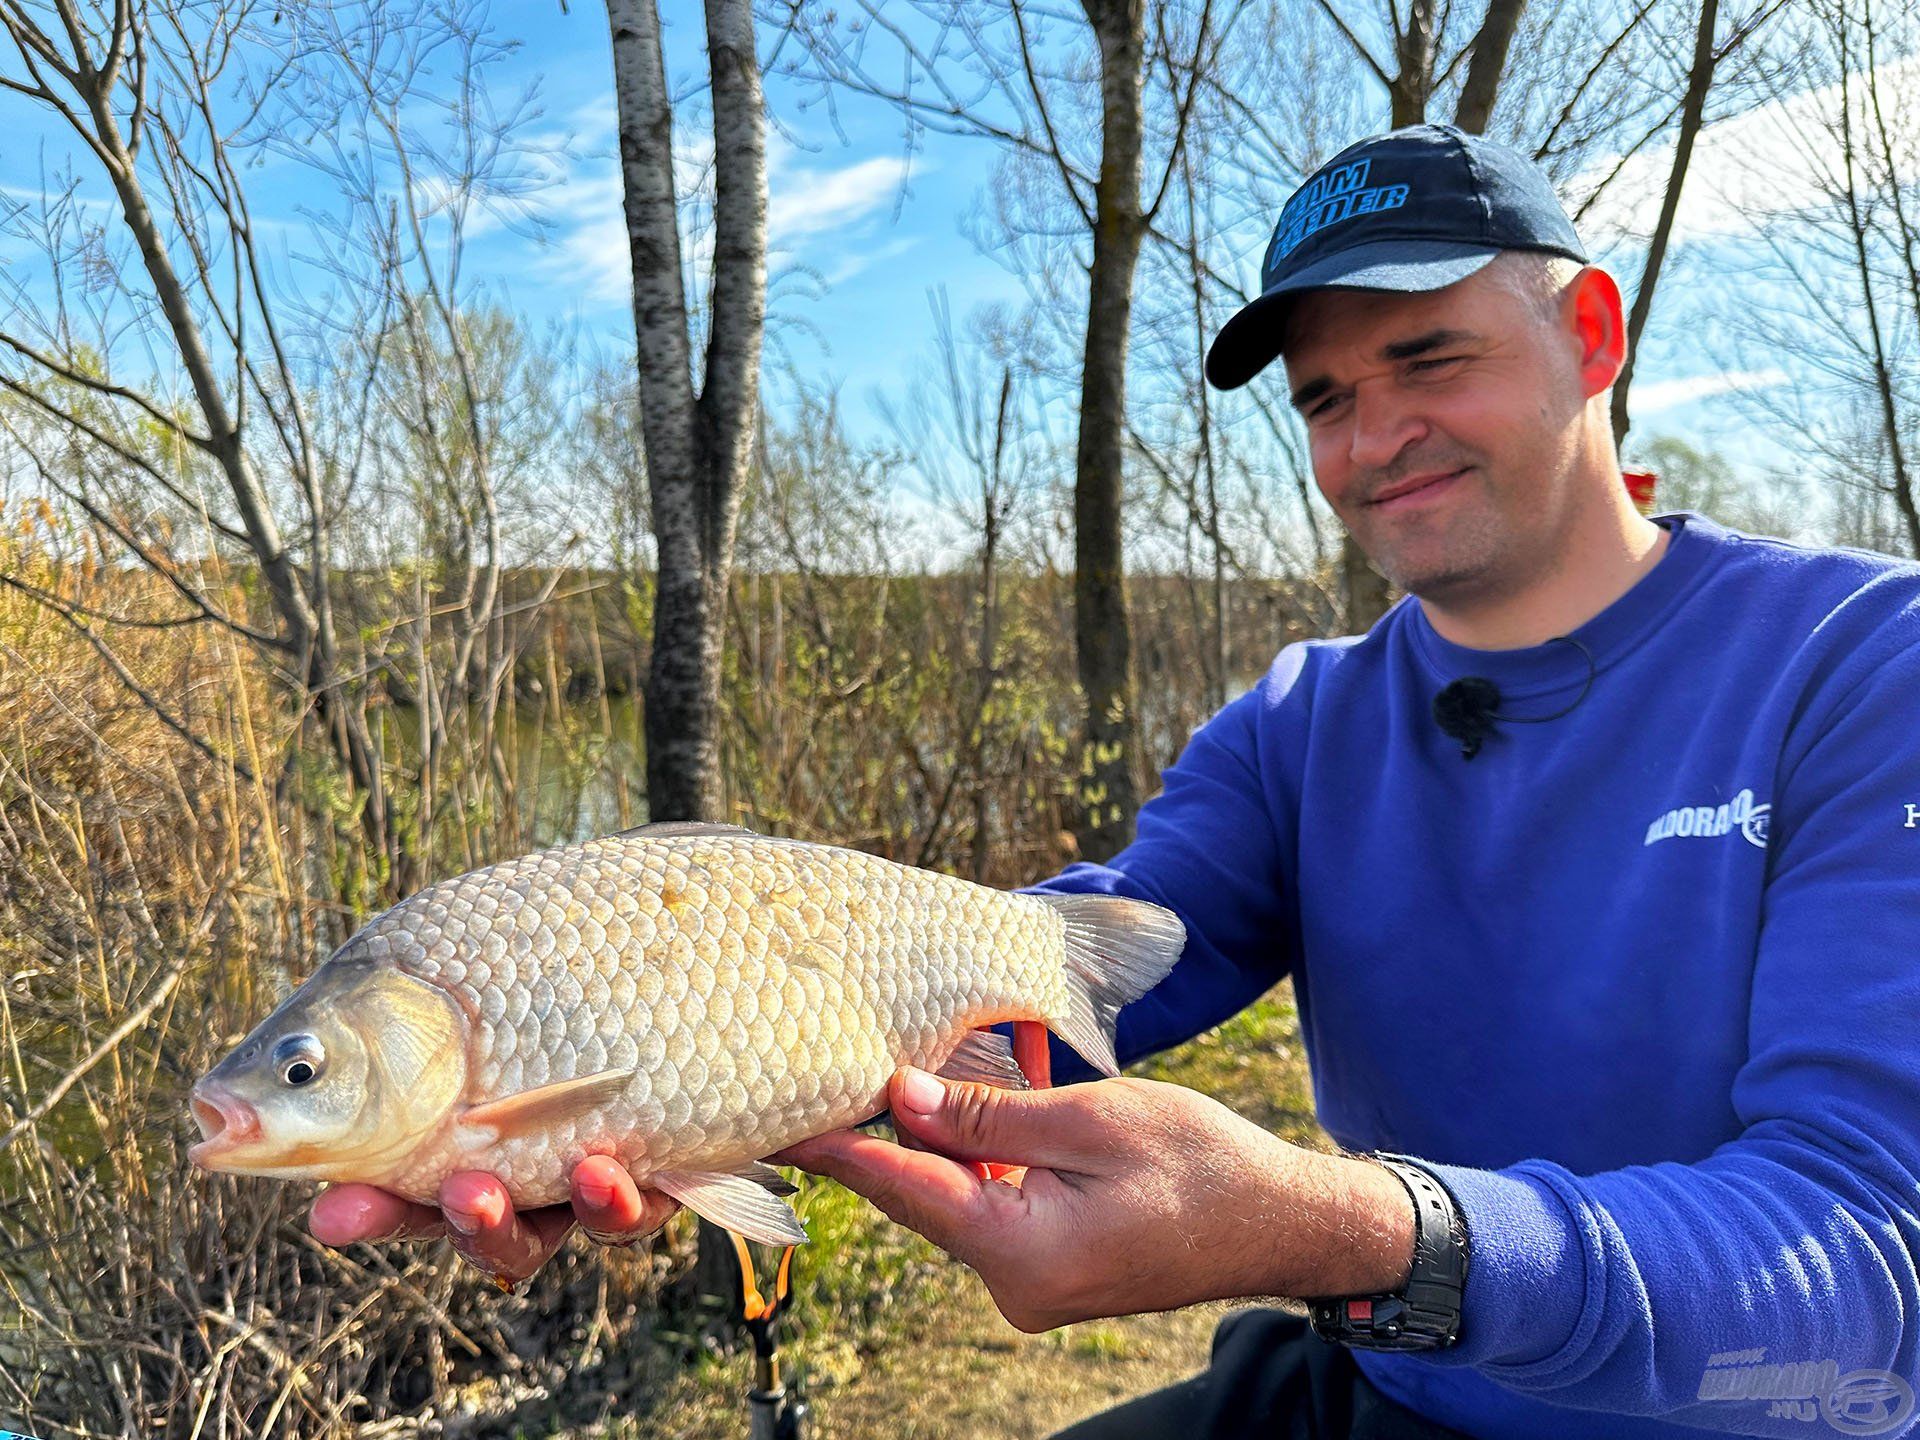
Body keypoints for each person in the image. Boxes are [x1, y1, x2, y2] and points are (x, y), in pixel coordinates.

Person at [314, 126, 1920, 1439]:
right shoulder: (1307, 719)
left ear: (1591, 334)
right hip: (1382, 1386)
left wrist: (1349, 1230)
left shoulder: (1861, 666)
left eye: (1429, 358)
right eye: (1327, 400)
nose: (1376, 440)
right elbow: (1091, 956)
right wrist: (702, 1051)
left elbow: (1867, 1267)